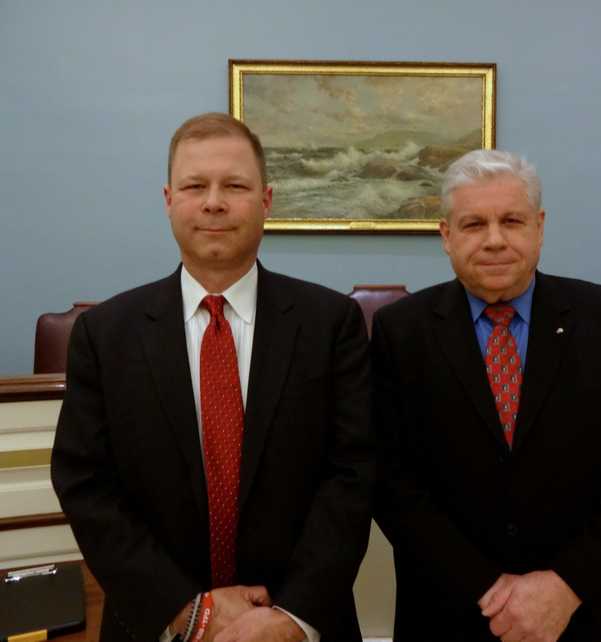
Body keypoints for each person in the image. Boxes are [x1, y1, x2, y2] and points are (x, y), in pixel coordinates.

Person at [51, 112, 373, 642]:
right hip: (157, 625)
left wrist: (291, 616)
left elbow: (353, 476)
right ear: (168, 199)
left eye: (235, 186)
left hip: (300, 625)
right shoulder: (105, 335)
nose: (214, 202)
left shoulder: (330, 324)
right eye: (195, 185)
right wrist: (185, 611)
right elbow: (86, 485)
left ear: (266, 200)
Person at [371, 150, 601, 642]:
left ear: (539, 226)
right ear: (446, 235)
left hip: (579, 615)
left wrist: (567, 586)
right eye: (474, 224)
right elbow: (391, 479)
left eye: (511, 220)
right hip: (447, 613)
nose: (494, 240)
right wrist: (486, 589)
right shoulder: (400, 332)